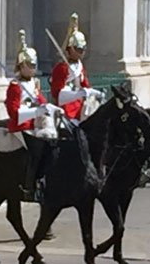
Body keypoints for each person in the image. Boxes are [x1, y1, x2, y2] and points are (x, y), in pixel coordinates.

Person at [6, 30, 62, 202]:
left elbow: (41, 100)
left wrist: (52, 108)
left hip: (34, 125)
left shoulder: (33, 83)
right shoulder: (15, 86)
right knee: (35, 150)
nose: (33, 68)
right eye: (30, 65)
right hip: (20, 127)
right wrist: (36, 112)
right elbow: (14, 112)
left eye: (34, 65)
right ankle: (28, 186)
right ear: (21, 66)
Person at [50, 13, 103, 122]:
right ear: (70, 49)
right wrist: (81, 93)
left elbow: (86, 85)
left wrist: (96, 93)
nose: (82, 53)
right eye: (78, 49)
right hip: (66, 110)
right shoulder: (61, 68)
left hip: (80, 107)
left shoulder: (79, 66)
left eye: (83, 49)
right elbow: (58, 95)